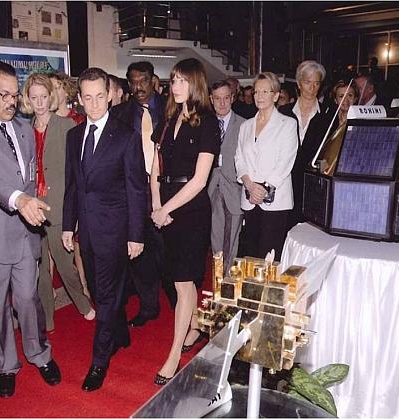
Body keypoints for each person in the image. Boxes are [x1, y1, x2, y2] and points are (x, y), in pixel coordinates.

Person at [0, 61, 61, 399]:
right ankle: (5, 364)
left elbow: (29, 177)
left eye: (14, 94)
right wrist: (19, 200)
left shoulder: (23, 129)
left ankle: (39, 353)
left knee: (29, 300)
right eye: (4, 94)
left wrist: (30, 205)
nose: (11, 101)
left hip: (25, 233)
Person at [62, 67, 147, 392]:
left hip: (115, 230)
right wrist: (69, 226)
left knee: (107, 296)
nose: (95, 103)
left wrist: (136, 234)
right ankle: (120, 332)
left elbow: (136, 188)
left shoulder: (125, 136)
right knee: (97, 292)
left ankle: (99, 361)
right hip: (87, 233)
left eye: (100, 96)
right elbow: (73, 186)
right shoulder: (74, 136)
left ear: (109, 95)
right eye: (88, 97)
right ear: (80, 99)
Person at [151, 58, 220, 385]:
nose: (175, 86)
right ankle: (195, 326)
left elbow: (199, 180)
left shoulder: (207, 122)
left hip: (190, 211)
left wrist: (167, 209)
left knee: (182, 281)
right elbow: (156, 165)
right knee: (182, 280)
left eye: (181, 80)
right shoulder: (168, 119)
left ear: (195, 84)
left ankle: (174, 354)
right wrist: (155, 203)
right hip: (165, 205)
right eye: (173, 80)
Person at [20, 72, 95, 333]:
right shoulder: (24, 131)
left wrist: (76, 209)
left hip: (59, 204)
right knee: (39, 266)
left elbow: (77, 170)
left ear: (50, 97)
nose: (39, 102)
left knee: (64, 263)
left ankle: (84, 305)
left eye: (43, 97)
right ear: (28, 100)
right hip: (32, 204)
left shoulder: (66, 127)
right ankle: (48, 319)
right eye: (34, 97)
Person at [110, 60, 167, 323]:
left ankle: (177, 299)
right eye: (132, 82)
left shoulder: (170, 109)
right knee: (139, 248)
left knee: (167, 249)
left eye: (143, 80)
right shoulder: (120, 114)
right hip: (132, 192)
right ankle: (148, 305)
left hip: (166, 190)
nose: (137, 87)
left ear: (153, 80)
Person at [235, 72, 298, 261]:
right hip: (249, 198)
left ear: (276, 95)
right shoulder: (246, 126)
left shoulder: (287, 124)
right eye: (256, 92)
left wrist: (264, 188)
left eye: (265, 91)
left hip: (275, 201)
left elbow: (285, 162)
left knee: (270, 257)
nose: (259, 96)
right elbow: (239, 159)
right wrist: (248, 184)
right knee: (250, 255)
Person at [49, 71, 90, 297]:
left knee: (78, 243)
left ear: (66, 90)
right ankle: (49, 290)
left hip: (74, 186)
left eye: (56, 87)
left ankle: (84, 285)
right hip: (52, 189)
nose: (52, 92)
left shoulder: (78, 121)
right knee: (49, 244)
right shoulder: (44, 120)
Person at [279, 60, 331, 230]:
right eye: (308, 82)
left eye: (317, 83)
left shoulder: (327, 116)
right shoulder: (283, 113)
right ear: (299, 84)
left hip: (312, 185)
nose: (312, 87)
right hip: (285, 182)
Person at [208, 80, 246, 277]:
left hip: (234, 190)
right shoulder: (205, 123)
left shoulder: (245, 125)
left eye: (226, 98)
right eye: (217, 99)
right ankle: (217, 280)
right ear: (211, 100)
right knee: (215, 240)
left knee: (232, 239)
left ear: (232, 98)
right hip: (210, 189)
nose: (222, 103)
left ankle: (229, 282)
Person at [316, 80, 359, 174]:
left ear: (355, 99)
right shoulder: (326, 122)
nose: (346, 100)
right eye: (341, 96)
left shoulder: (360, 123)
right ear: (335, 100)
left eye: (350, 95)